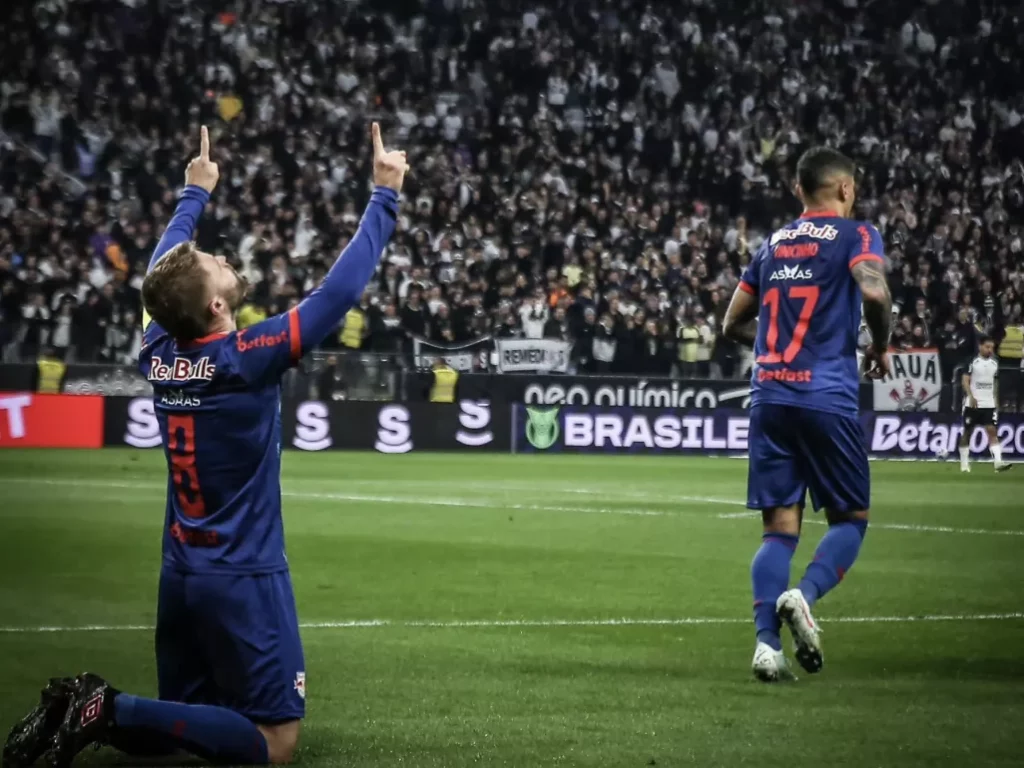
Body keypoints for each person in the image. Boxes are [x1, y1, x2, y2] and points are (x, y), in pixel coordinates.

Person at [3, 124, 408, 767]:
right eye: (215, 261)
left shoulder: (158, 350)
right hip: (242, 573)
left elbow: (161, 273)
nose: (222, 256)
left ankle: (89, 714)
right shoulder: (247, 356)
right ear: (218, 304)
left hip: (181, 569)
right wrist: (384, 195)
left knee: (181, 734)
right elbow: (337, 296)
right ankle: (102, 707)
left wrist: (195, 192)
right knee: (275, 744)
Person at [722, 147, 893, 683]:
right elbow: (873, 288)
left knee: (777, 533)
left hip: (770, 396)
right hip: (826, 397)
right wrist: (878, 346)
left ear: (800, 191)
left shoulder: (771, 244)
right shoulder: (857, 235)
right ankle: (805, 594)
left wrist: (777, 350)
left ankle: (766, 648)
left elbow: (732, 324)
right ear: (845, 189)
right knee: (851, 520)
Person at [958, 335, 1011, 473]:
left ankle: (998, 463)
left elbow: (995, 382)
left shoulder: (995, 362)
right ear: (980, 346)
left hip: (989, 403)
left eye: (992, 347)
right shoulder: (972, 361)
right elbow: (965, 380)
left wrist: (996, 401)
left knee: (992, 431)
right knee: (968, 433)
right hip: (973, 404)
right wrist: (971, 396)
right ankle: (964, 464)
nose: (990, 350)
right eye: (987, 347)